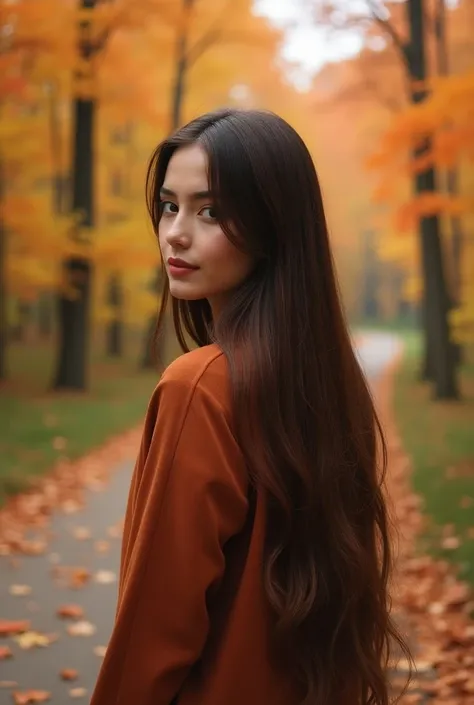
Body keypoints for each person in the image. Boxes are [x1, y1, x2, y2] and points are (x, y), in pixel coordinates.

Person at [90, 108, 411, 705]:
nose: (175, 233)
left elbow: (157, 628)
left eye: (210, 211)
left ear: (271, 228)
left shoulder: (201, 385)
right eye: (169, 205)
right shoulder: (329, 382)